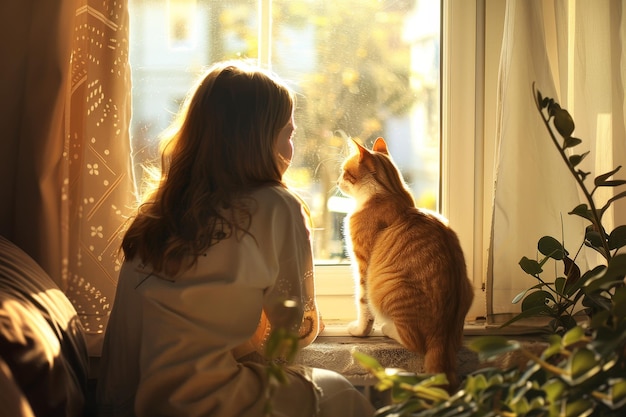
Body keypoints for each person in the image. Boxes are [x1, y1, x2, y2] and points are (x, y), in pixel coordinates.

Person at [96, 60, 375, 417]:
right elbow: (290, 335)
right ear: (258, 139)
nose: (291, 149)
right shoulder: (277, 205)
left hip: (131, 402)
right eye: (288, 134)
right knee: (338, 394)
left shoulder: (157, 211)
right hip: (211, 399)